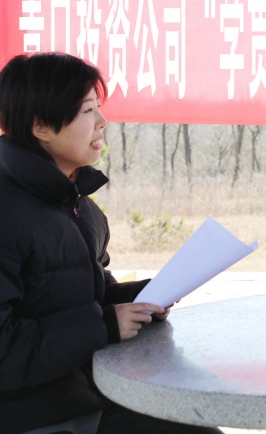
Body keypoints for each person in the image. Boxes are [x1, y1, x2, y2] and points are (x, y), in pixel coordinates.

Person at [0, 52, 222, 434]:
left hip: (89, 396)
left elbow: (85, 291)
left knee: (198, 421)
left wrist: (141, 298)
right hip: (32, 416)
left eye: (99, 108)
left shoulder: (79, 205)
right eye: (88, 111)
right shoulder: (7, 212)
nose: (102, 122)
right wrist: (104, 325)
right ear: (41, 126)